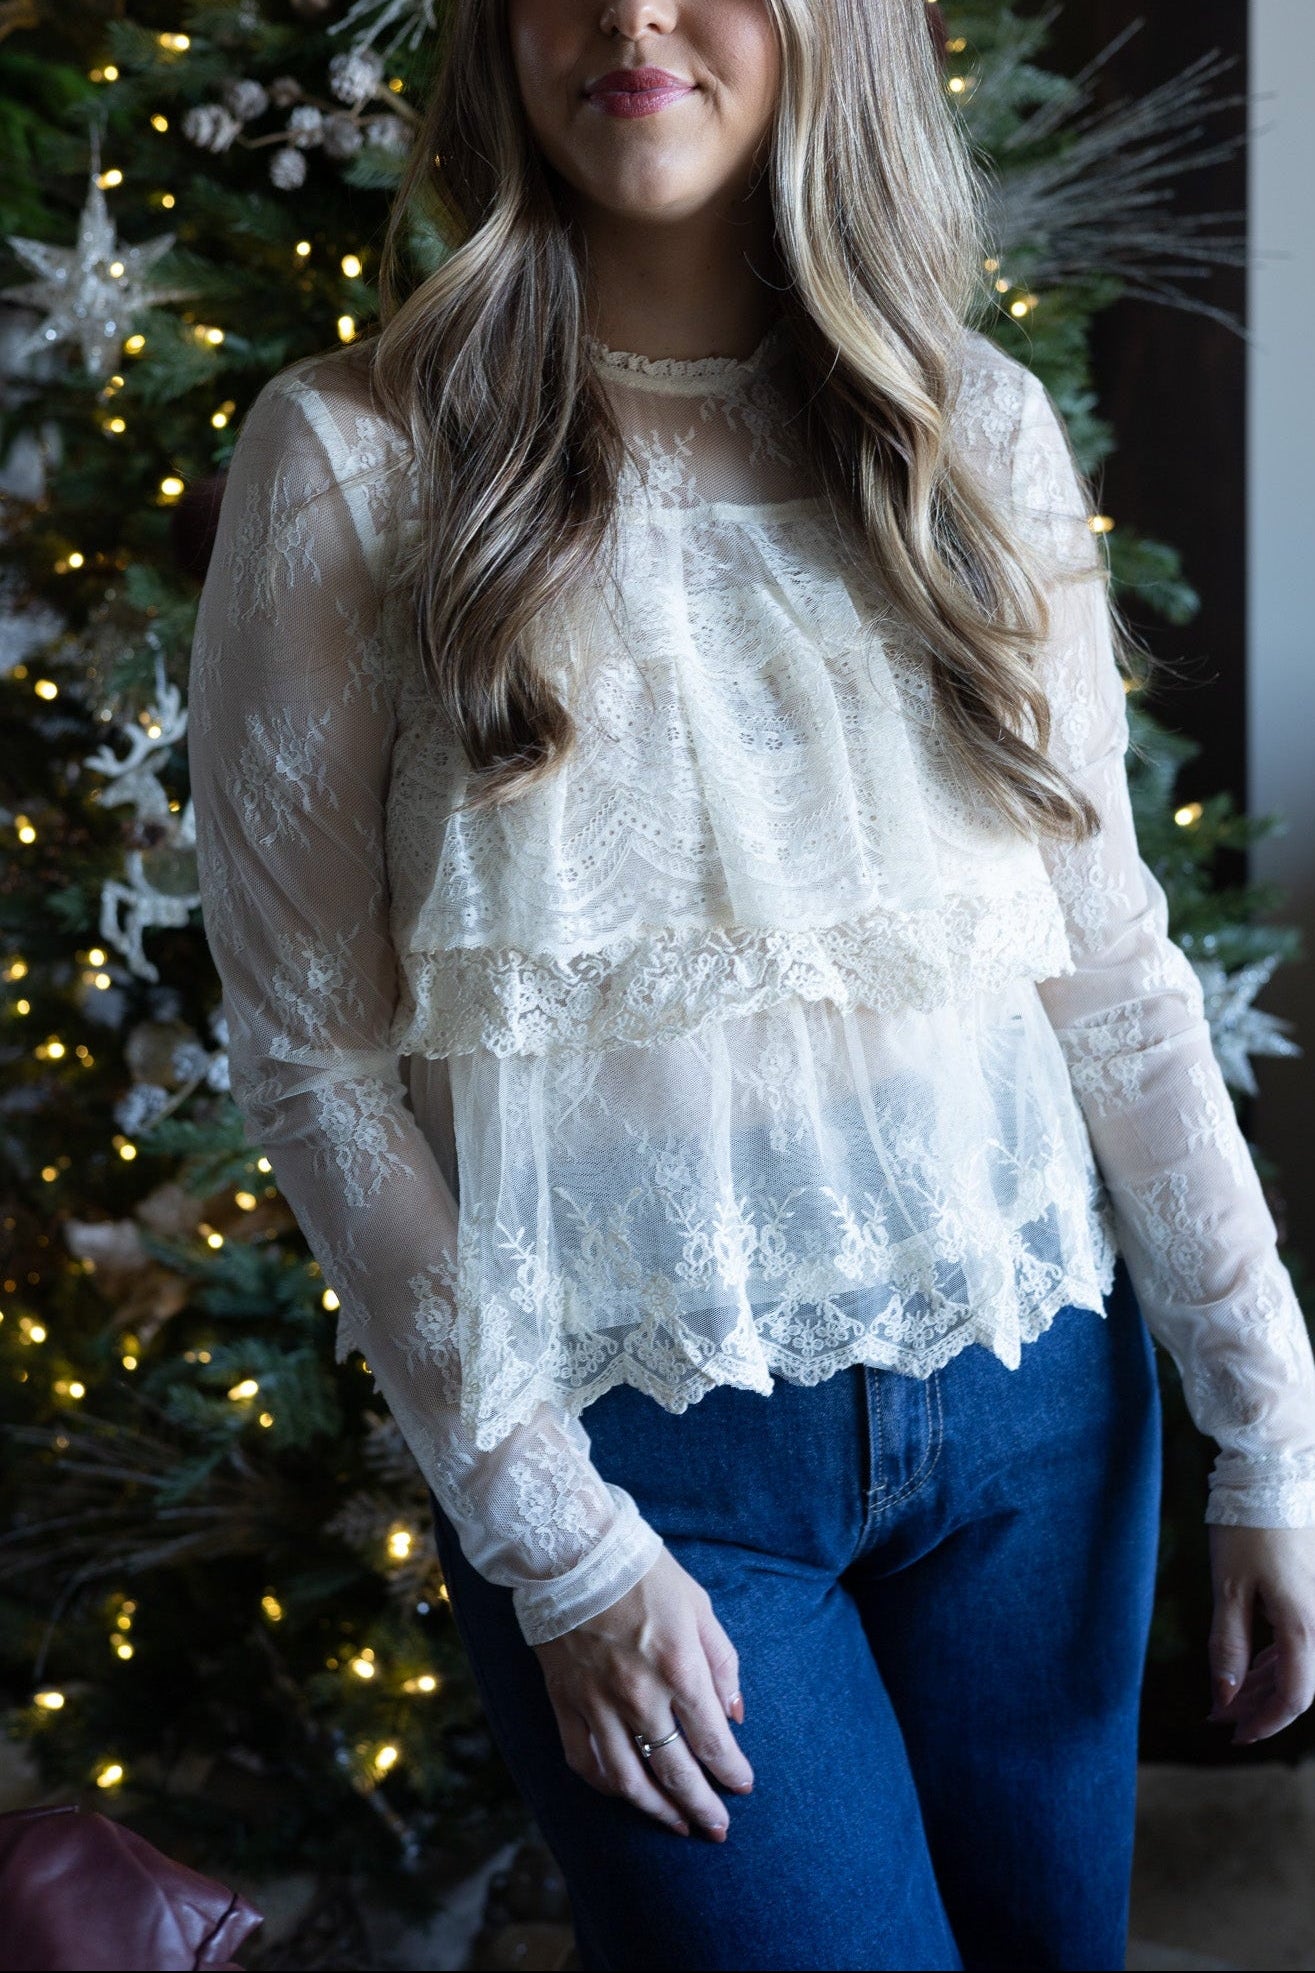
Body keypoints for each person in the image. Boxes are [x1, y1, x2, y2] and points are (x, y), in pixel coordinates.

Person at [186, 2, 1315, 1967]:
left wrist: (1267, 1422)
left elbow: (1113, 971)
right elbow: (312, 1061)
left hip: (1037, 1404)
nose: (634, 15)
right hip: (643, 1460)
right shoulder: (350, 456)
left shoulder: (974, 428)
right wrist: (557, 1541)